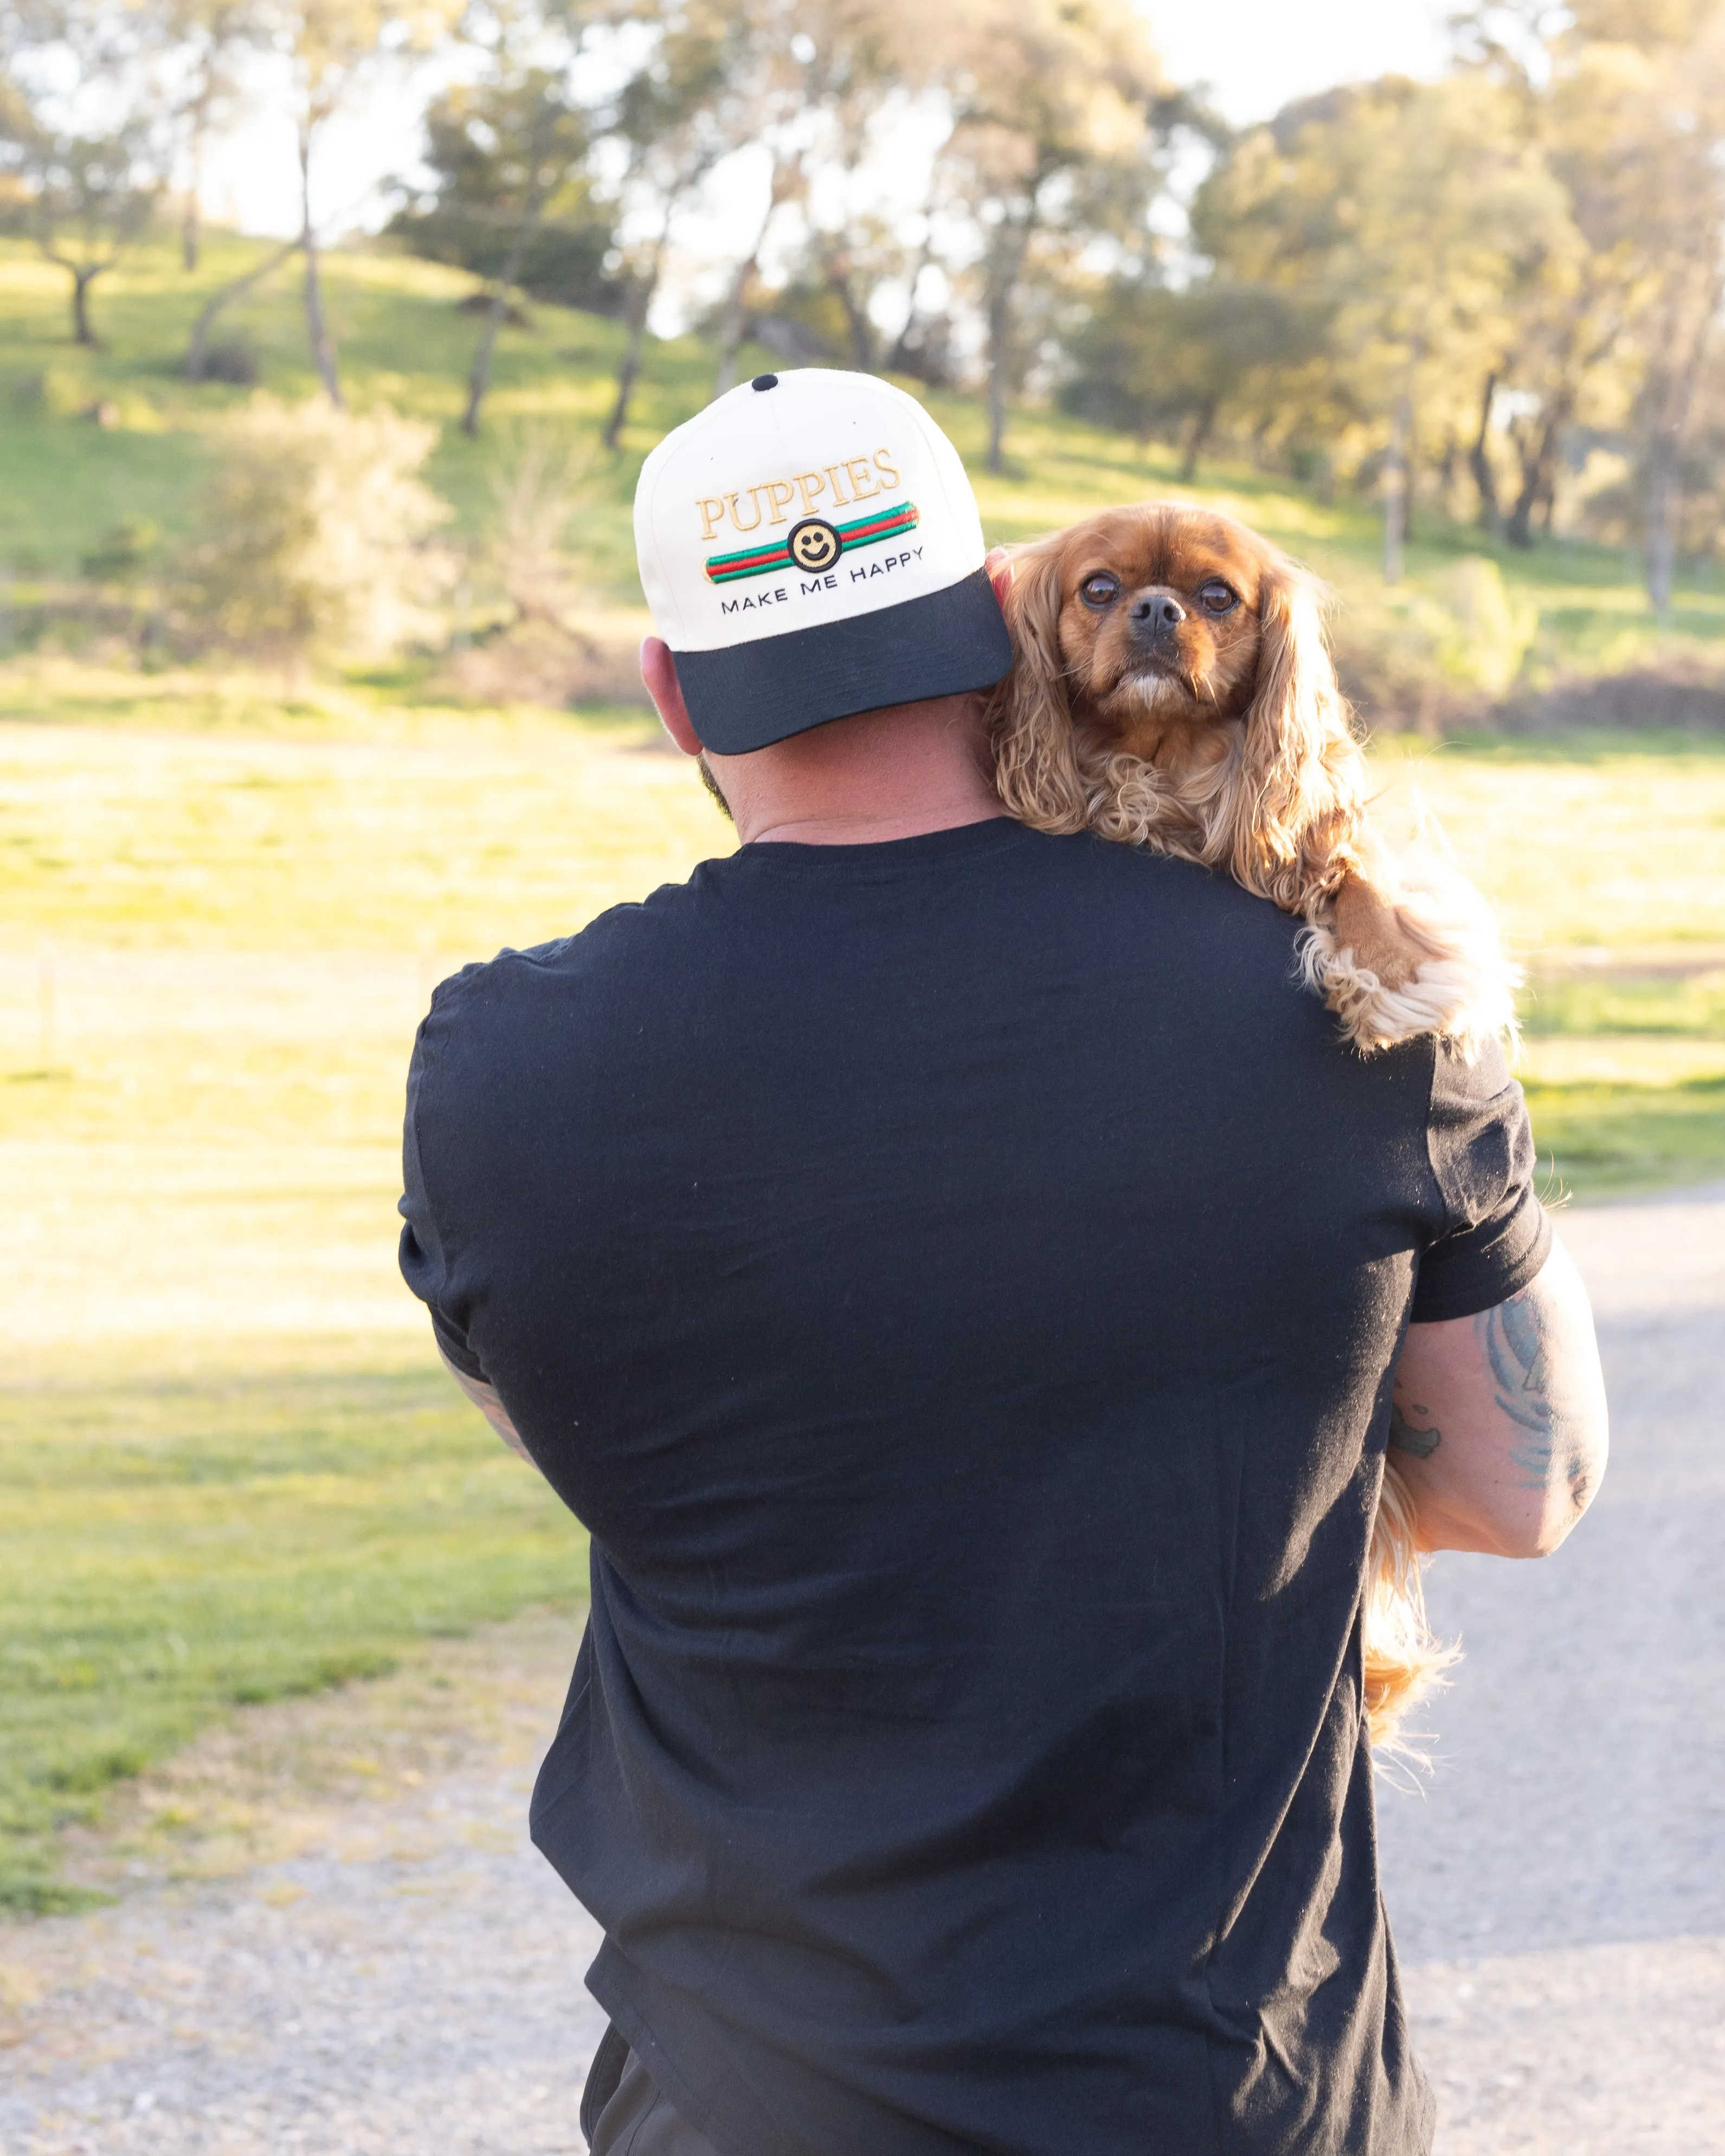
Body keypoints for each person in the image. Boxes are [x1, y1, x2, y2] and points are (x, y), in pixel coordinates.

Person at [398, 369, 1609, 2156]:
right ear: (999, 617)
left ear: (671, 694)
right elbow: (1528, 1484)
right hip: (1227, 2089)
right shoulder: (1363, 1000)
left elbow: (574, 1442)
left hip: (738, 2100)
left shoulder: (497, 1062)